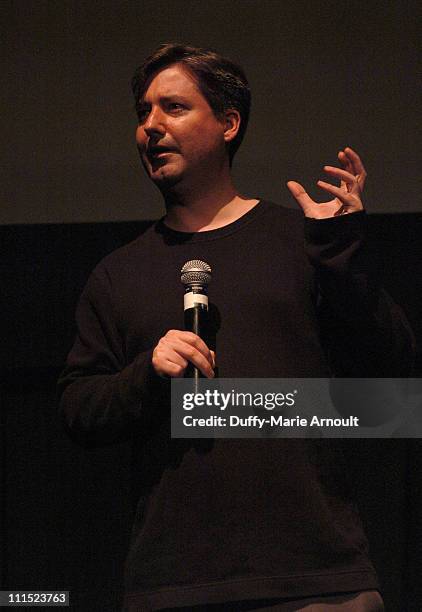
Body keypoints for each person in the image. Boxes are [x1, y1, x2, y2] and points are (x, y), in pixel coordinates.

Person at [58, 44, 414, 611]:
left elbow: (393, 382)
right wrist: (149, 376)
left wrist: (339, 258)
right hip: (175, 584)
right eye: (142, 112)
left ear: (228, 123)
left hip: (315, 581)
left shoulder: (300, 242)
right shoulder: (118, 273)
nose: (150, 126)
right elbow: (77, 409)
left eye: (172, 107)